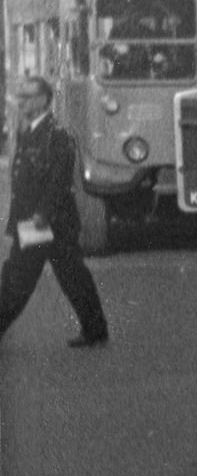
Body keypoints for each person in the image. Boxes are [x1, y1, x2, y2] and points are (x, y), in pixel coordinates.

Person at [0, 77, 108, 349]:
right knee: (64, 274)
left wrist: (42, 214)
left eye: (27, 96)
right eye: (20, 96)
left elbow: (59, 180)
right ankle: (96, 329)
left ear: (43, 100)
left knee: (22, 278)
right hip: (36, 221)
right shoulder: (30, 131)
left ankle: (96, 329)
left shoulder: (56, 134)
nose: (21, 102)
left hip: (47, 222)